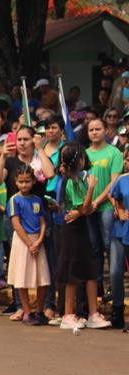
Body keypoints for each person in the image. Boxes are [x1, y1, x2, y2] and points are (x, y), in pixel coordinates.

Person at [54, 144, 110, 329]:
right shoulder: (72, 181)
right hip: (72, 231)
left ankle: (93, 313)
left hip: (81, 228)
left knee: (90, 270)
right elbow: (84, 208)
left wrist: (83, 210)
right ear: (78, 160)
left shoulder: (78, 178)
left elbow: (83, 210)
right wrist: (92, 189)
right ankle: (68, 314)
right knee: (72, 273)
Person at [84, 118, 123, 304]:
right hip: (88, 208)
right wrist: (88, 204)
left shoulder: (114, 152)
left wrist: (96, 201)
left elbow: (115, 182)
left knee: (109, 246)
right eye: (91, 129)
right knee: (94, 247)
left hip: (107, 207)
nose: (94, 132)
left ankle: (112, 286)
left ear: (105, 130)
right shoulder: (84, 154)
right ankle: (97, 285)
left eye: (98, 129)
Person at [6, 165, 51, 325]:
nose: (24, 185)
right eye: (21, 182)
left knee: (43, 277)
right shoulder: (14, 200)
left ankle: (39, 311)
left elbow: (43, 222)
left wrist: (38, 242)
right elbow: (16, 223)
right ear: (16, 182)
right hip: (22, 241)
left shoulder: (37, 200)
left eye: (27, 181)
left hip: (37, 240)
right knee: (22, 277)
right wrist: (29, 243)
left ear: (33, 181)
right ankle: (26, 311)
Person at [106, 150, 129, 329]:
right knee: (115, 272)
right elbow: (113, 196)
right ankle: (117, 310)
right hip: (121, 232)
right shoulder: (122, 179)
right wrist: (119, 210)